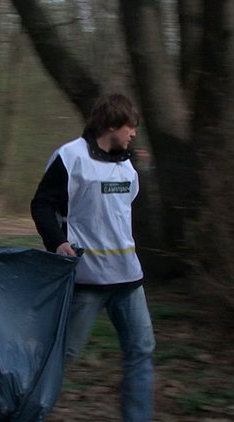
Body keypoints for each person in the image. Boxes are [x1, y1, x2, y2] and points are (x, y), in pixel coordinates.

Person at [30, 93, 155, 421]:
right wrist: (57, 243)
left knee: (141, 349)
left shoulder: (127, 166)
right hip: (87, 280)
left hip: (128, 279)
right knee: (63, 355)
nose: (134, 134)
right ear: (111, 125)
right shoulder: (70, 157)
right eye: (130, 127)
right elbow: (42, 205)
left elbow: (123, 214)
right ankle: (22, 411)